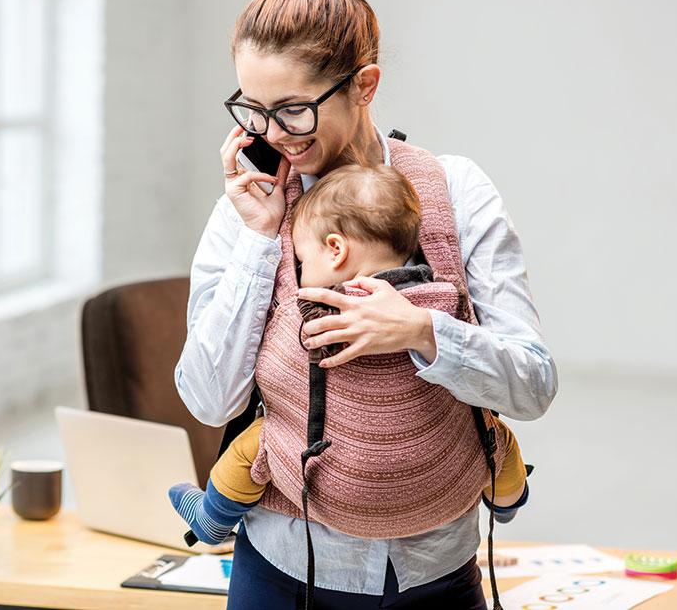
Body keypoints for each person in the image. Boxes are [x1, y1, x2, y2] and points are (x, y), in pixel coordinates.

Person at [175, 0, 557, 609]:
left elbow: (533, 385)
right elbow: (208, 399)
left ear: (365, 84)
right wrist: (263, 240)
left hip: (435, 574)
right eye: (252, 111)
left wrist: (422, 333)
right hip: (280, 572)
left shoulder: (455, 191)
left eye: (292, 110)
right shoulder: (249, 210)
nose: (270, 137)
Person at [168, 164, 530, 547]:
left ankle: (211, 518)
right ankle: (507, 501)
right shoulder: (441, 300)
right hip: (446, 493)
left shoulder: (316, 314)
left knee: (259, 439)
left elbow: (271, 379)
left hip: (331, 496)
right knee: (495, 434)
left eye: (303, 262)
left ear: (336, 249)